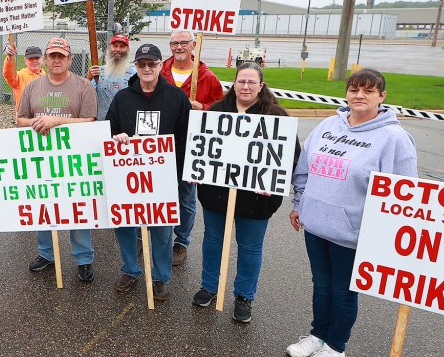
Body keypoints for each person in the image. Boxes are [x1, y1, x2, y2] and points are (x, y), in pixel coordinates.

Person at [287, 68, 417, 357]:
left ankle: (336, 348)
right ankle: (318, 335)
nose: (359, 95)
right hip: (316, 225)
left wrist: (388, 233)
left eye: (368, 91)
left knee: (343, 291)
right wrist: (299, 203)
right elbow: (304, 168)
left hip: (353, 232)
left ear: (382, 97)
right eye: (354, 89)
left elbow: (405, 192)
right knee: (321, 285)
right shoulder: (328, 125)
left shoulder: (393, 138)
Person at [192, 63, 299, 323]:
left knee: (250, 247)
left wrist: (273, 180)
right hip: (217, 195)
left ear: (261, 86)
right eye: (241, 81)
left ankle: (244, 296)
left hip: (256, 200)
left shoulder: (276, 117)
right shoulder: (217, 111)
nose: (246, 86)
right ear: (234, 84)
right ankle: (209, 286)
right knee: (213, 240)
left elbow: (291, 156)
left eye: (252, 82)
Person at [105, 44, 190, 301]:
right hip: (127, 176)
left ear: (160, 65)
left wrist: (183, 172)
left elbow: (187, 137)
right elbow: (108, 129)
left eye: (151, 64)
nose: (146, 68)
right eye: (141, 64)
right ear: (137, 66)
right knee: (124, 225)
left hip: (164, 178)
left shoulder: (176, 97)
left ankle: (161, 277)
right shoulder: (123, 98)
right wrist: (116, 137)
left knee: (162, 230)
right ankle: (130, 269)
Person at [16, 37, 99, 282]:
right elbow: (21, 119)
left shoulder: (84, 86)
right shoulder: (33, 86)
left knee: (77, 208)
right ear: (46, 59)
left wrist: (57, 121)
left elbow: (90, 121)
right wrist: (36, 122)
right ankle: (46, 253)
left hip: (74, 159)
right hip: (42, 159)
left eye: (61, 56)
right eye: (52, 55)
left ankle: (84, 258)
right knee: (44, 205)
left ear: (69, 60)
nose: (56, 60)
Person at [160, 29, 225, 267]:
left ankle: (181, 241)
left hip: (190, 146)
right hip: (161, 144)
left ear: (193, 45)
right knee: (156, 191)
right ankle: (156, 236)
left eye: (183, 43)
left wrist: (204, 108)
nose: (178, 47)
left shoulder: (207, 77)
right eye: (174, 43)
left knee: (185, 197)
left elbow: (222, 112)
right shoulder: (160, 71)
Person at [86, 32, 137, 120]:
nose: (118, 49)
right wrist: (88, 79)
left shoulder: (134, 74)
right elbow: (85, 96)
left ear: (128, 50)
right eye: (115, 46)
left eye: (122, 46)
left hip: (125, 124)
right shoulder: (98, 72)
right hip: (102, 124)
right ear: (110, 48)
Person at [3, 44, 43, 122]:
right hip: (24, 120)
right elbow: (8, 74)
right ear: (25, 61)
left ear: (42, 59)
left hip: (42, 119)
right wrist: (9, 58)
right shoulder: (20, 76)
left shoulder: (46, 77)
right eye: (31, 59)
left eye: (37, 58)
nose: (34, 61)